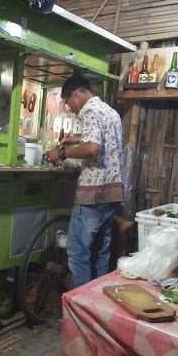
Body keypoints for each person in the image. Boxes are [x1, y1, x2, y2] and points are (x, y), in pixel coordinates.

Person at [45, 74, 123, 288]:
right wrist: (76, 138)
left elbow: (93, 148)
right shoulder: (110, 112)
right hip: (111, 192)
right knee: (100, 251)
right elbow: (103, 139)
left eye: (68, 102)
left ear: (76, 93)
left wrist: (61, 153)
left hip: (93, 193)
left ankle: (78, 306)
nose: (70, 108)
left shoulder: (89, 110)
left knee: (78, 252)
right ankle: (93, 302)